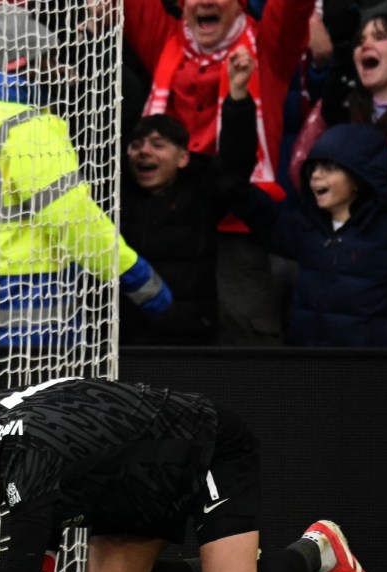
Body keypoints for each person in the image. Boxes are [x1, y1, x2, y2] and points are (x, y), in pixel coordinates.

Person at [0, 377, 373, 572]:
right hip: (129, 479)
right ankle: (227, 565)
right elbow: (40, 499)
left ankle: (320, 548)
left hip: (202, 445)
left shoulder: (26, 457)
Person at [0, 10, 172, 356]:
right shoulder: (29, 126)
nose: (62, 71)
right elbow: (75, 221)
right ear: (20, 64)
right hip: (32, 323)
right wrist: (141, 280)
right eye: (49, 59)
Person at [124, 0, 315, 345]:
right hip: (169, 221)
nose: (206, 2)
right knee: (159, 335)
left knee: (245, 342)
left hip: (236, 226)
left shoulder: (269, 48)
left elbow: (292, 9)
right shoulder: (164, 40)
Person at [120, 46, 276, 345]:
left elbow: (236, 161)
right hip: (127, 336)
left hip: (188, 336)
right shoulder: (120, 193)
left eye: (158, 144)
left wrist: (238, 95)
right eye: (137, 144)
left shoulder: (201, 191)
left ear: (183, 158)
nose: (144, 152)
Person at [274, 123, 387, 346]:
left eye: (329, 167)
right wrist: (238, 102)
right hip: (309, 370)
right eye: (313, 167)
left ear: (359, 177)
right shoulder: (304, 227)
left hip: (373, 373)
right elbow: (240, 192)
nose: (315, 176)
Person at [290, 13, 387, 210]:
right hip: (342, 232)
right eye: (360, 41)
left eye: (380, 37)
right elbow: (300, 170)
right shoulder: (336, 103)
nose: (365, 45)